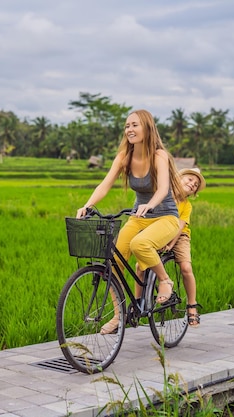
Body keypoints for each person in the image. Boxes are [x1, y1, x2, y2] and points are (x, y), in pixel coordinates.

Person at [76, 109, 187, 335]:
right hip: (138, 217)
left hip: (165, 217)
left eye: (135, 125)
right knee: (114, 257)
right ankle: (120, 316)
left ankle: (165, 281)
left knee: (140, 245)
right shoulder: (124, 157)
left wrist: (151, 204)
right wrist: (87, 205)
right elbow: (105, 184)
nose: (129, 130)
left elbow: (164, 188)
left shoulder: (159, 156)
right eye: (127, 126)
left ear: (147, 128)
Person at [136, 167, 206, 327]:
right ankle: (138, 303)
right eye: (189, 180)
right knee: (140, 267)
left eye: (195, 185)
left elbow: (180, 226)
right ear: (178, 179)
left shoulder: (186, 206)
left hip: (179, 236)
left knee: (186, 267)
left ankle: (192, 306)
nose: (192, 184)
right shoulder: (162, 195)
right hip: (161, 229)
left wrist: (170, 244)